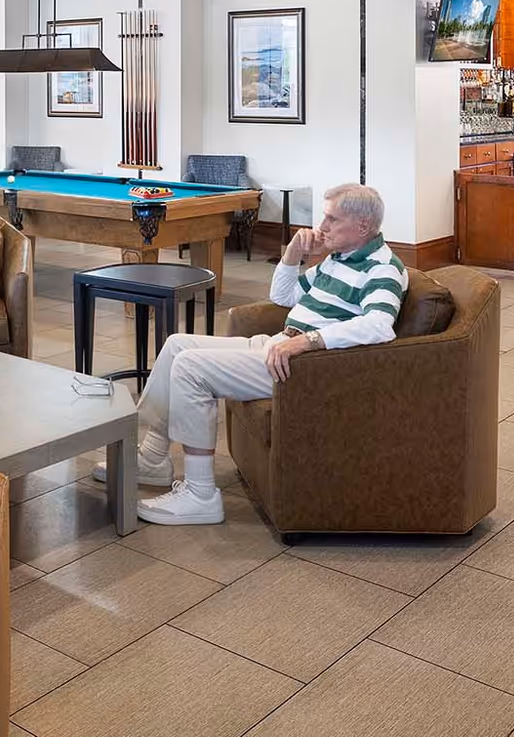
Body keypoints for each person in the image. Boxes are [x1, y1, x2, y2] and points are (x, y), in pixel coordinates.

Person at [94, 183, 405, 526]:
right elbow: (283, 297)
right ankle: (154, 459)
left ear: (363, 226)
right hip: (278, 345)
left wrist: (308, 341)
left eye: (332, 219)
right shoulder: (338, 258)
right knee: (177, 345)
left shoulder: (383, 267)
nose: (322, 226)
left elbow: (379, 325)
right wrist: (292, 255)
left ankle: (200, 495)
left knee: (190, 367)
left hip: (303, 365)